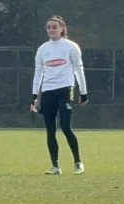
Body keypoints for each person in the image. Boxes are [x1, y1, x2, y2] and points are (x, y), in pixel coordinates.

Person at [30, 15, 87, 175]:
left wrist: (83, 92)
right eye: (48, 27)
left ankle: (77, 162)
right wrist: (35, 96)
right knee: (50, 129)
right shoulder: (43, 49)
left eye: (54, 27)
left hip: (64, 90)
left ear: (62, 28)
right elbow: (38, 73)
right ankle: (55, 166)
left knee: (65, 126)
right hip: (48, 92)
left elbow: (78, 69)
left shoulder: (70, 47)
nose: (51, 30)